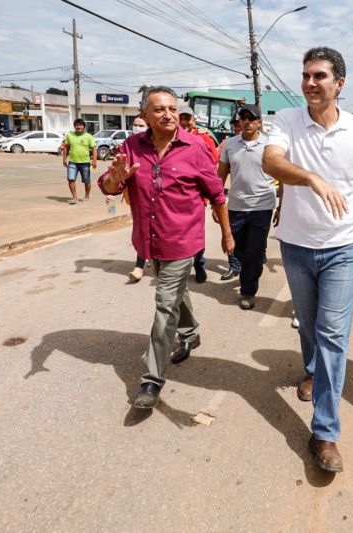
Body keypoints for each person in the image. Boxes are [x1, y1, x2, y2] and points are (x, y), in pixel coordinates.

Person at [262, 47, 353, 473]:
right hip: (295, 245)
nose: (310, 83)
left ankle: (325, 432)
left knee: (333, 334)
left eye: (320, 76)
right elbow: (271, 161)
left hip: (344, 246)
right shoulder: (287, 121)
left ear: (340, 84)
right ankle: (312, 369)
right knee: (310, 324)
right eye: (306, 75)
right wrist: (312, 178)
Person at [99, 86, 234, 410]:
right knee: (173, 294)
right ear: (144, 115)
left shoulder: (196, 148)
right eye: (159, 109)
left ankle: (152, 379)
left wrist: (228, 236)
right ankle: (191, 333)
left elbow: (217, 195)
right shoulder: (132, 146)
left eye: (172, 108)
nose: (168, 114)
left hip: (183, 240)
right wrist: (114, 179)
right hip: (149, 240)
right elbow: (109, 184)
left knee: (164, 302)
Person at [217, 104, 276, 310]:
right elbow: (221, 174)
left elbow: (282, 175)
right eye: (243, 118)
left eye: (252, 118)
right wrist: (217, 204)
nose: (247, 122)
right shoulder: (229, 145)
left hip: (262, 205)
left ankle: (248, 290)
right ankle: (251, 269)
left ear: (259, 122)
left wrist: (284, 203)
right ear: (239, 121)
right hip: (236, 206)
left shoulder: (270, 145)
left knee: (254, 251)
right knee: (237, 249)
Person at [178, 103, 219, 283]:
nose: (185, 122)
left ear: (193, 120)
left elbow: (213, 163)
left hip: (196, 195)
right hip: (175, 195)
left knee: (196, 233)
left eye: (188, 118)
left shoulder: (203, 138)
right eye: (182, 118)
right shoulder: (167, 138)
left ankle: (199, 264)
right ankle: (179, 267)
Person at [218, 117, 244, 281]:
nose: (237, 127)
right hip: (233, 199)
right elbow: (219, 170)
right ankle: (234, 266)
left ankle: (254, 261)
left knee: (254, 242)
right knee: (231, 234)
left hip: (259, 203)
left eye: (239, 124)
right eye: (234, 125)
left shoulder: (265, 144)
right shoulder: (227, 144)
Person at [127, 116, 150, 283]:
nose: (137, 127)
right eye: (135, 124)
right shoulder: (129, 143)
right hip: (139, 196)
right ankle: (139, 265)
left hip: (158, 195)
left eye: (141, 125)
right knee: (142, 229)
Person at [63, 118, 97, 205]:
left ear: (84, 127)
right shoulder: (70, 135)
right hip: (72, 162)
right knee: (71, 179)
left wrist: (94, 160)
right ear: (75, 126)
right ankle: (75, 198)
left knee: (86, 180)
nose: (79, 127)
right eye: (77, 125)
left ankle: (87, 195)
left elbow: (94, 149)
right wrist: (64, 159)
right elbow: (66, 147)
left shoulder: (88, 136)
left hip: (85, 163)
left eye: (81, 125)